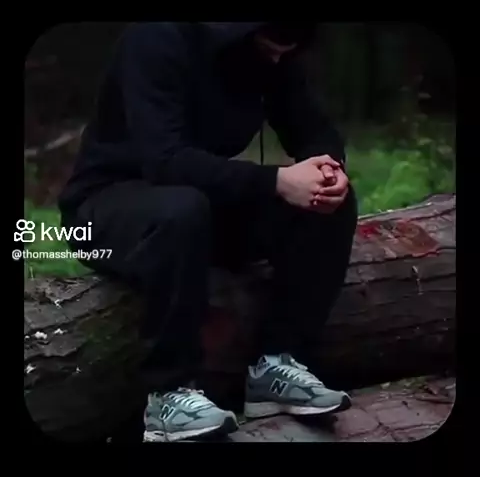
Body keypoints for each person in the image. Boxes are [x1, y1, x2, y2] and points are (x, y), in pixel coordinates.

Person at [59, 22, 358, 442]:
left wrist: (327, 168)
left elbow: (313, 128)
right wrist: (276, 180)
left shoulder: (272, 55)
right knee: (182, 209)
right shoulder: (157, 40)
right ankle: (168, 395)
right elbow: (164, 161)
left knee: (327, 203)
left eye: (285, 52)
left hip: (196, 207)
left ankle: (276, 364)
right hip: (104, 210)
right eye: (269, 49)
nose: (277, 60)